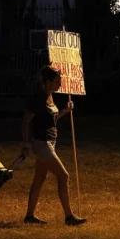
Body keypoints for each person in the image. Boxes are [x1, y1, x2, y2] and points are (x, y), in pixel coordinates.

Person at [20, 66, 87, 226]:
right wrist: (26, 143)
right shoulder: (39, 98)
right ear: (48, 82)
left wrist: (65, 110)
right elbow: (26, 120)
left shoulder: (50, 97)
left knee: (40, 178)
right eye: (57, 81)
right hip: (42, 144)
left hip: (49, 142)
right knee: (64, 176)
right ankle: (69, 217)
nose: (60, 84)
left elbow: (52, 119)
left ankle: (29, 216)